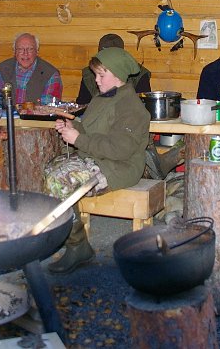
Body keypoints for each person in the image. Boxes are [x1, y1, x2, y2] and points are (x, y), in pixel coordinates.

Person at [45, 47, 151, 274]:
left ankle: (77, 247)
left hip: (119, 167)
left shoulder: (131, 107)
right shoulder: (103, 98)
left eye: (101, 75)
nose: (96, 79)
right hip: (98, 157)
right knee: (50, 167)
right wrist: (74, 127)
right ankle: (71, 236)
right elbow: (94, 131)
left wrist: (78, 139)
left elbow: (119, 149)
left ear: (118, 75)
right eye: (96, 74)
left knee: (61, 180)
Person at [76, 33, 151, 104]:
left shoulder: (138, 73)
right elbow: (83, 104)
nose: (97, 80)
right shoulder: (89, 73)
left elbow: (144, 105)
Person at [0, 32, 62, 106]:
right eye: (20, 49)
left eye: (30, 49)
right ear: (15, 52)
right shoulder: (4, 68)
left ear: (37, 51)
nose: (25, 53)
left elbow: (49, 108)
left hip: (35, 117)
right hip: (6, 116)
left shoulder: (50, 74)